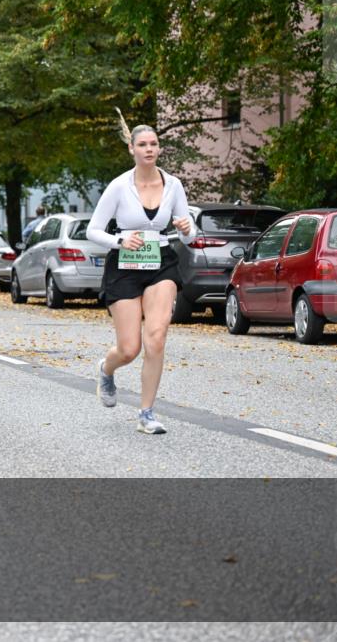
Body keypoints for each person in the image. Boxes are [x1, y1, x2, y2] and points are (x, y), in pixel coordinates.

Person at [86, 109, 195, 435]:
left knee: (157, 337)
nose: (149, 149)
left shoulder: (173, 185)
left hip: (161, 261)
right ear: (132, 149)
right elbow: (93, 231)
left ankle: (147, 413)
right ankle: (107, 369)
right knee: (129, 348)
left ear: (159, 149)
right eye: (143, 144)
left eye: (154, 144)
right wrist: (120, 240)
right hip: (124, 266)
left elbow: (190, 236)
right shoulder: (119, 187)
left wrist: (188, 227)